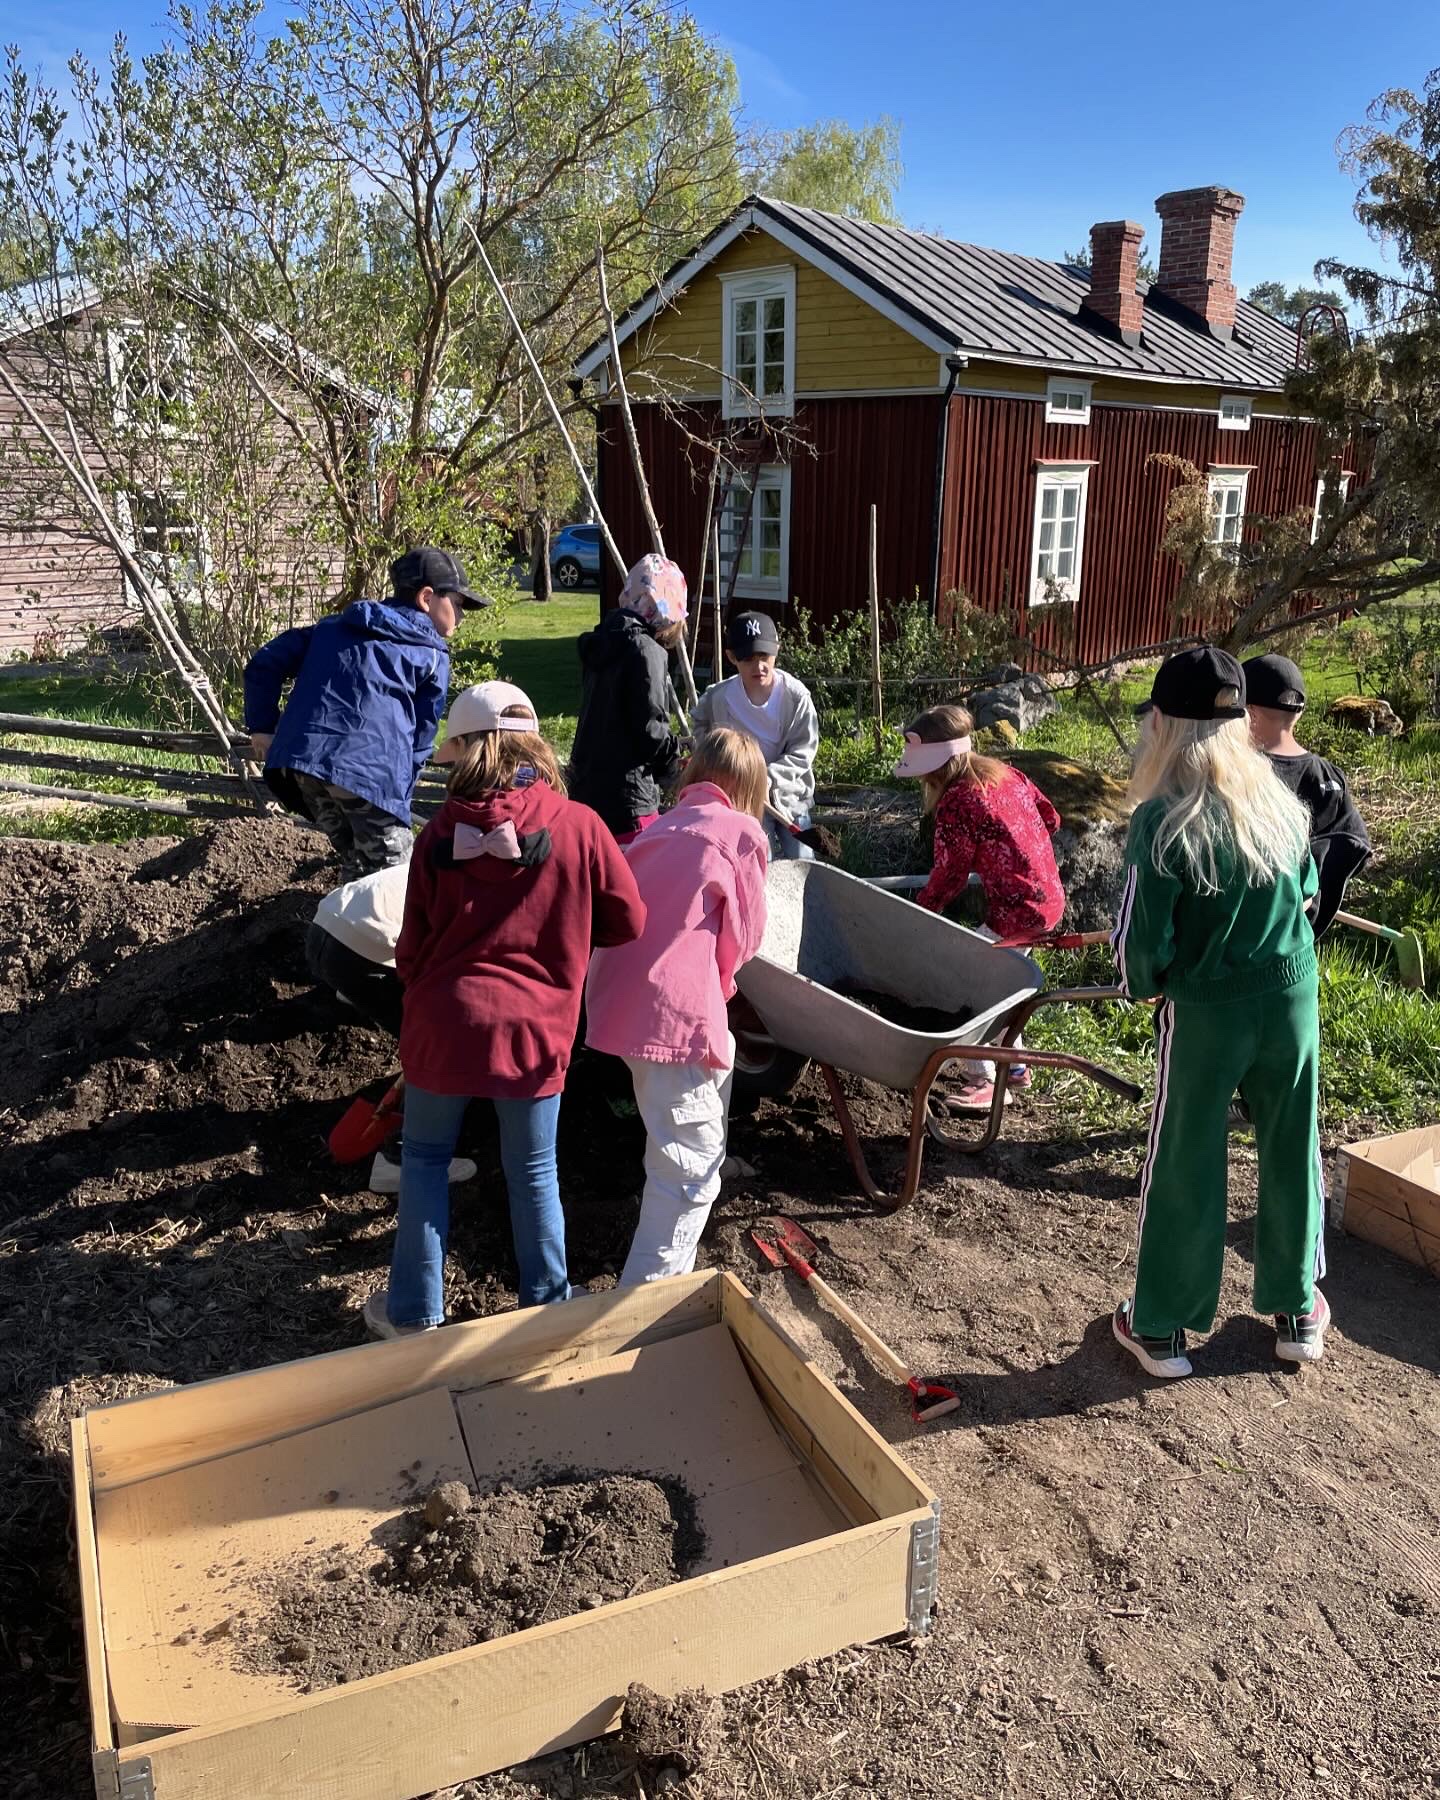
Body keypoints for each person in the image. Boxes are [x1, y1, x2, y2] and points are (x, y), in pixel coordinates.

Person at [363, 681, 646, 1337]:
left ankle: (413, 1315)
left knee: (427, 1162)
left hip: (443, 1020)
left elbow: (412, 948)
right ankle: (545, 1307)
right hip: (534, 1029)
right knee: (534, 1169)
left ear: (466, 752)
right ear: (535, 744)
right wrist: (567, 924)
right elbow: (627, 919)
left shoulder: (440, 834)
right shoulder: (580, 826)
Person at [1111, 647, 1328, 1380]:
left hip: (1208, 1009)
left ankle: (1162, 1328)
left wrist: (1146, 985)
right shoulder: (1282, 803)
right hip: (1292, 993)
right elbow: (1305, 897)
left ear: (1165, 727)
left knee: (1186, 1155)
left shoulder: (1163, 822)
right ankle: (1298, 1313)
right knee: (1293, 1142)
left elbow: (1141, 944)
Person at [584, 728, 769, 1284]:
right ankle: (646, 1303)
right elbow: (747, 935)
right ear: (751, 788)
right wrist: (721, 975)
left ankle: (716, 1149)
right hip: (670, 1008)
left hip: (618, 996)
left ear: (692, 776)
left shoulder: (657, 827)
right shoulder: (740, 834)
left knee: (722, 1054)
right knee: (687, 1175)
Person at [244, 547, 487, 876]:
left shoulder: (332, 629)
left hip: (302, 768)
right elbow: (420, 740)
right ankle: (388, 928)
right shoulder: (430, 654)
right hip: (366, 773)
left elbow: (265, 662)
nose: (461, 615)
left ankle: (343, 923)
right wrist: (398, 803)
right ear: (427, 598)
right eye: (457, 604)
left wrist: (262, 727)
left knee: (357, 861)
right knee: (395, 874)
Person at [896, 701, 1065, 1113]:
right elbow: (1051, 818)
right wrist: (1016, 851)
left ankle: (987, 1081)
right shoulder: (1006, 773)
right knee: (1000, 977)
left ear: (935, 768)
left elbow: (950, 876)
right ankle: (1016, 1065)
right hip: (1048, 897)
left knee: (971, 981)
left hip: (1019, 910)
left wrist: (916, 917)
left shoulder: (958, 802)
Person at [305, 860, 476, 1197]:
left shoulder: (460, 856)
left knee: (422, 1032)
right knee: (442, 1044)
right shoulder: (487, 888)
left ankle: (360, 993)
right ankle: (398, 1158)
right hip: (364, 950)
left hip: (327, 927)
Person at [1243, 651, 1370, 936]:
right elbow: (1355, 844)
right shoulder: (1329, 776)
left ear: (1248, 713)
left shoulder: (1243, 777)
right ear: (1299, 711)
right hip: (1302, 939)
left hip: (1250, 939)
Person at [569, 553, 688, 843]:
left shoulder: (602, 641)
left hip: (587, 788)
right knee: (634, 878)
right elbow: (650, 729)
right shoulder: (646, 651)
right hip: (628, 799)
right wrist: (675, 764)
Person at [692, 610, 820, 861]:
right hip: (743, 800)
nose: (758, 666)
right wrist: (719, 765)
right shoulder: (719, 699)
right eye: (748, 659)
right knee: (760, 863)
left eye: (764, 656)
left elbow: (802, 753)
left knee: (804, 862)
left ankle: (807, 896)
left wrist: (766, 778)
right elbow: (700, 726)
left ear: (776, 651)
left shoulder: (796, 699)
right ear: (731, 657)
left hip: (788, 795)